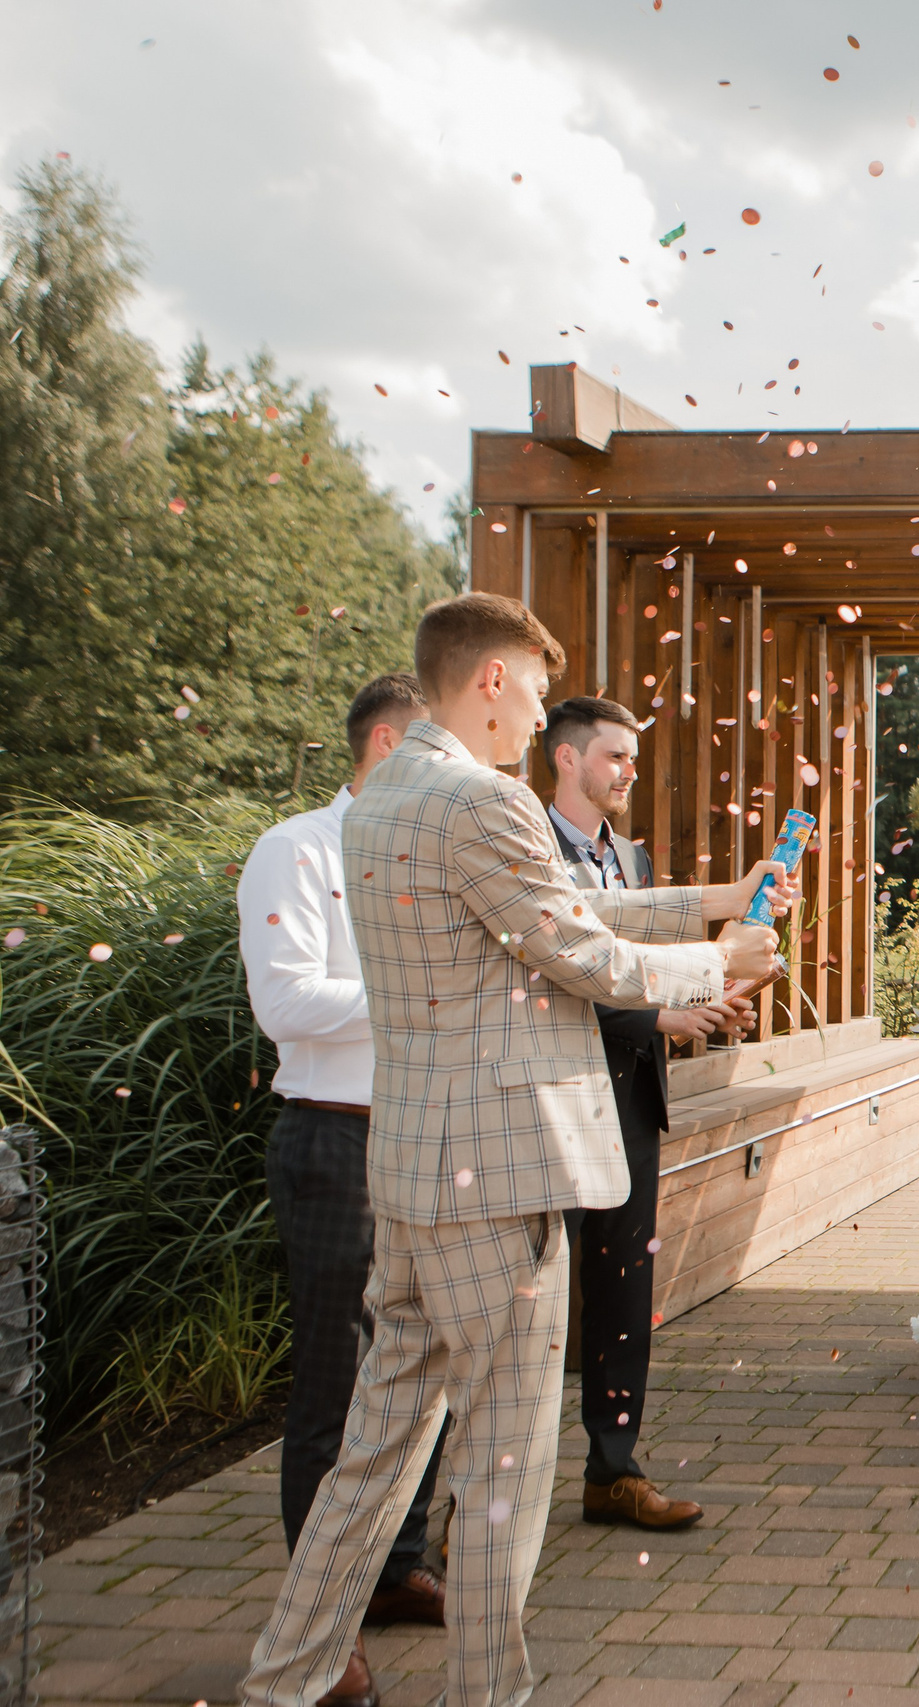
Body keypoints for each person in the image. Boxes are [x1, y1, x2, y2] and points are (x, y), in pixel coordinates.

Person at [238, 593, 794, 1707]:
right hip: (500, 1179)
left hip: (414, 1167)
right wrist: (718, 962)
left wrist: (707, 901)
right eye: (537, 694)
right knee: (503, 1469)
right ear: (491, 680)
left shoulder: (388, 794)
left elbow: (545, 913)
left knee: (378, 1452)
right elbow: (576, 953)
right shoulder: (480, 798)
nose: (541, 720)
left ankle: (285, 1677)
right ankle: (490, 1693)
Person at [237, 673, 445, 1707]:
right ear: (385, 742)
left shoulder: (428, 850)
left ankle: (400, 1566)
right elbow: (285, 1001)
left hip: (426, 1140)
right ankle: (320, 1639)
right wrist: (421, 991)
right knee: (335, 1391)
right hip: (335, 1143)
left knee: (425, 1370)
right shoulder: (296, 848)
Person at [543, 694, 749, 1531]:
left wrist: (713, 996)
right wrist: (660, 1015)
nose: (630, 770)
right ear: (566, 758)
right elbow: (555, 974)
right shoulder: (526, 852)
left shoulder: (628, 854)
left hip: (631, 1098)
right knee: (533, 1297)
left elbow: (638, 961)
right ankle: (469, 1498)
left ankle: (612, 1470)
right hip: (554, 1099)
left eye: (632, 757)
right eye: (615, 755)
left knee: (625, 1289)